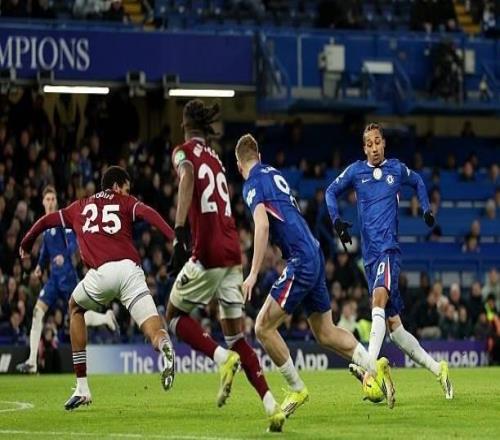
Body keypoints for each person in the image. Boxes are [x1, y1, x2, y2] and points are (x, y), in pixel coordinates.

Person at [235, 133, 394, 413]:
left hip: (300, 259)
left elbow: (262, 225)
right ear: (259, 157)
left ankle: (297, 389)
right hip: (314, 252)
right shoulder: (272, 173)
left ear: (239, 166)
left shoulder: (252, 183)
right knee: (325, 332)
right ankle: (373, 366)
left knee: (262, 327)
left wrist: (253, 273)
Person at [165, 100, 285, 432]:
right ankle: (272, 406)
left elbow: (187, 176)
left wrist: (179, 232)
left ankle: (221, 358)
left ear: (184, 125)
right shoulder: (216, 158)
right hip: (233, 253)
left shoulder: (182, 152)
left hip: (208, 252)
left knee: (172, 316)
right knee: (237, 337)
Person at [19, 166, 175, 410]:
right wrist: (174, 237)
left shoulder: (79, 207)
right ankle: (164, 345)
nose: (127, 193)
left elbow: (46, 221)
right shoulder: (126, 202)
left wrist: (27, 241)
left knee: (75, 307)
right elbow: (149, 213)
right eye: (126, 188)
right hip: (131, 270)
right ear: (116, 186)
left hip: (101, 273)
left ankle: (82, 388)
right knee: (153, 330)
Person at [326, 122, 453, 399]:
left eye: (377, 142)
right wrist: (336, 221)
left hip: (388, 250)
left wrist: (426, 209)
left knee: (378, 300)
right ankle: (438, 368)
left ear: (384, 143)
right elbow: (330, 191)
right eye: (369, 144)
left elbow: (418, 181)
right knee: (395, 329)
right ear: (364, 148)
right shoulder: (356, 171)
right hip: (370, 258)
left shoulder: (396, 169)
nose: (374, 148)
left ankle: (369, 368)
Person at [17, 185, 117, 374]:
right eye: (47, 199)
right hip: (54, 280)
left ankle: (106, 317)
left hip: (68, 278)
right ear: (43, 202)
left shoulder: (62, 221)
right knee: (37, 312)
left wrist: (64, 255)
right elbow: (46, 251)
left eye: (53, 199)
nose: (50, 202)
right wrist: (39, 266)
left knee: (78, 315)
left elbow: (73, 243)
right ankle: (32, 361)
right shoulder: (45, 226)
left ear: (56, 201)